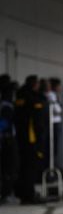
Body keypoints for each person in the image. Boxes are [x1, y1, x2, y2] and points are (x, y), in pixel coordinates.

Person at [14, 75, 47, 204]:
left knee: (23, 167)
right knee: (30, 168)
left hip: (20, 139)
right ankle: (29, 195)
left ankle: (23, 194)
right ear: (35, 85)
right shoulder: (33, 100)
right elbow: (38, 122)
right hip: (31, 140)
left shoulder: (19, 97)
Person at [0, 76, 19, 204]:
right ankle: (6, 194)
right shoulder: (6, 106)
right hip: (7, 140)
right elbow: (4, 124)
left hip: (6, 139)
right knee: (10, 167)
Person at [47, 78, 63, 168]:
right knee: (53, 147)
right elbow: (57, 110)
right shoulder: (51, 95)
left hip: (55, 122)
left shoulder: (55, 95)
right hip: (54, 123)